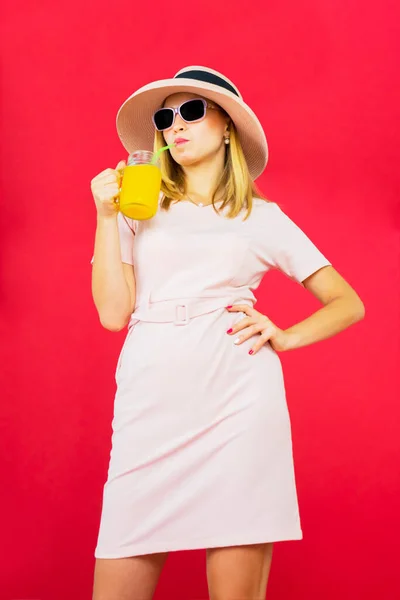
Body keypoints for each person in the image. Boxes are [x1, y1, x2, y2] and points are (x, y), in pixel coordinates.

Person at [89, 66, 365, 600]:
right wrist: (104, 215)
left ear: (228, 127)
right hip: (152, 398)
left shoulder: (260, 217)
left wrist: (285, 336)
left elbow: (348, 302)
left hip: (237, 404)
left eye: (192, 111)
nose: (175, 127)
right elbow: (111, 314)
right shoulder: (135, 207)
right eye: (166, 119)